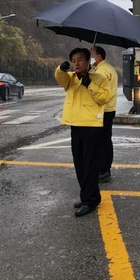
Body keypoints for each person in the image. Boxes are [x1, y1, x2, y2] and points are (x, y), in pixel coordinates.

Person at [55, 47, 110, 217]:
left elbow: (104, 98)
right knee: (79, 164)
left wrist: (89, 84)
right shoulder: (70, 78)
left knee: (90, 165)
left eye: (80, 59)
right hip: (75, 125)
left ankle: (90, 200)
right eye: (73, 60)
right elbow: (60, 77)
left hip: (92, 126)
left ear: (88, 61)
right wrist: (61, 68)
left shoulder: (99, 78)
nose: (76, 63)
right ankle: (89, 195)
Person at [90, 45, 118, 183]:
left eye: (92, 54)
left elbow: (96, 91)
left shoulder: (101, 71)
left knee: (101, 142)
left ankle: (103, 170)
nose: (91, 57)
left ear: (98, 56)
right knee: (106, 140)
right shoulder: (108, 68)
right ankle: (105, 169)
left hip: (103, 109)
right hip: (109, 109)